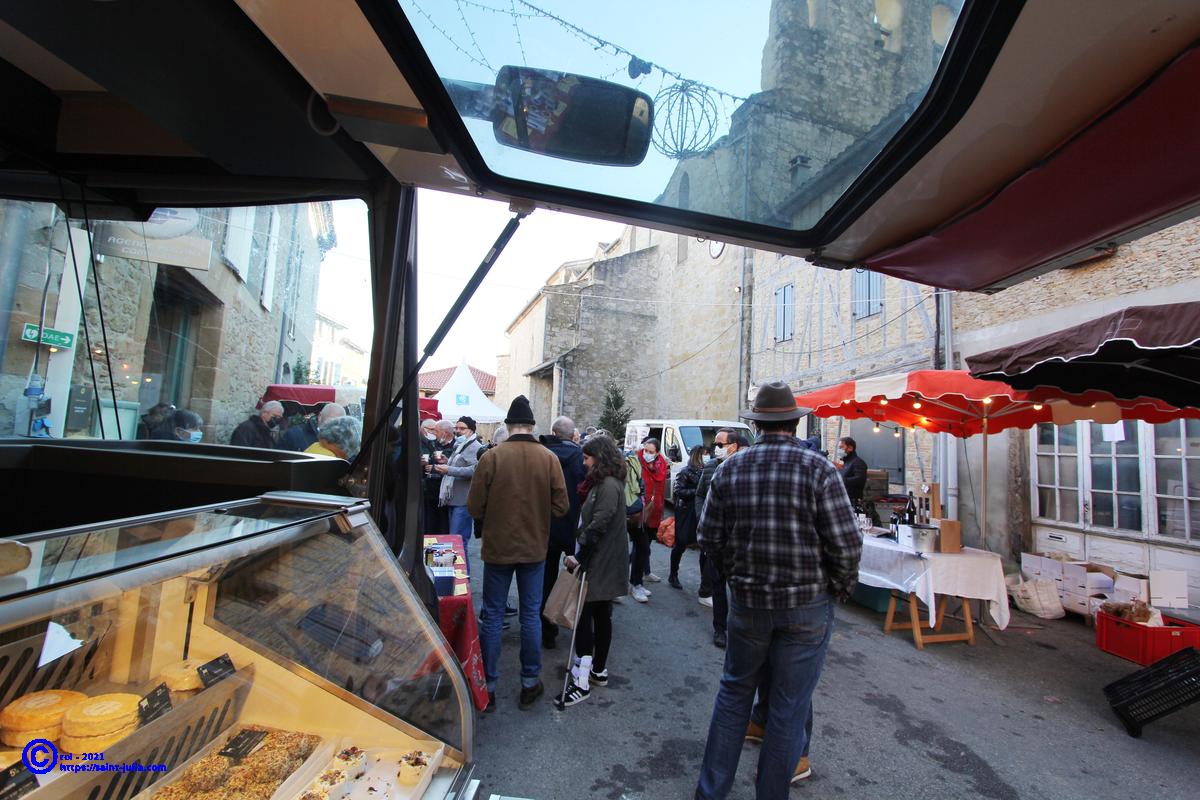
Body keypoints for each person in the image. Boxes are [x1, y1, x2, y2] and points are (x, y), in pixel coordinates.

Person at [694, 382, 862, 799]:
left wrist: (736, 575)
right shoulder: (819, 469)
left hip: (750, 602)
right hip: (806, 604)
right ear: (794, 423)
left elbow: (708, 537)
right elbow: (846, 544)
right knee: (789, 707)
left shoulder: (731, 468)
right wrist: (837, 587)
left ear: (757, 425)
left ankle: (710, 792)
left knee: (734, 693)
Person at [467, 395, 569, 712]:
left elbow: (474, 506)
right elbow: (561, 506)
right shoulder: (548, 458)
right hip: (534, 548)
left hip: (498, 548)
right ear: (531, 426)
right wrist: (538, 516)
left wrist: (495, 517)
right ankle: (529, 682)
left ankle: (489, 686)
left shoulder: (492, 457)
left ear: (509, 426)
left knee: (493, 615)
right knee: (530, 615)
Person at [555, 435, 628, 707]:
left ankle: (582, 682)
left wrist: (579, 556)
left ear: (599, 458)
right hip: (604, 559)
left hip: (599, 560)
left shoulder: (607, 485)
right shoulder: (607, 482)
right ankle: (598, 670)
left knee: (586, 616)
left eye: (587, 458)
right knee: (600, 614)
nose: (584, 463)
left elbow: (599, 522)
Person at [695, 428, 748, 648]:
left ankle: (739, 628)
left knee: (738, 589)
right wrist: (702, 519)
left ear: (733, 446)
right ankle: (720, 629)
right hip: (716, 538)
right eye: (715, 444)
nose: (715, 448)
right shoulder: (710, 467)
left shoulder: (746, 468)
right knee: (718, 586)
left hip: (739, 541)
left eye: (719, 444)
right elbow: (700, 494)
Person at [539, 416, 587, 649]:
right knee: (577, 575)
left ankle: (546, 629)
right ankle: (578, 624)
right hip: (572, 524)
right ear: (572, 435)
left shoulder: (542, 454)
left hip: (546, 524)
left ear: (553, 432)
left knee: (545, 578)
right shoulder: (581, 457)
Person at [435, 416, 485, 571]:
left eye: (462, 428)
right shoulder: (460, 445)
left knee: (458, 541)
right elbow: (459, 464)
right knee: (453, 540)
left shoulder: (475, 447)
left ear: (471, 430)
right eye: (456, 428)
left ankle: (462, 577)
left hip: (463, 500)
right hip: (453, 499)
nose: (458, 431)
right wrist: (446, 461)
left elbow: (475, 470)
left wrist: (449, 469)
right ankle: (451, 576)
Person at [628, 437, 668, 603]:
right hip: (639, 513)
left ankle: (640, 578)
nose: (647, 454)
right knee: (642, 548)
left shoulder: (662, 464)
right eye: (646, 450)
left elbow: (661, 488)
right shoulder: (635, 462)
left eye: (651, 452)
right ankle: (635, 583)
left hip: (654, 512)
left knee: (644, 548)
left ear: (657, 453)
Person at [668, 446, 705, 590]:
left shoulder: (706, 470)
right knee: (681, 543)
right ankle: (673, 575)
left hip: (699, 511)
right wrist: (698, 492)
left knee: (703, 547)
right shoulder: (685, 471)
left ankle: (705, 581)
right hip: (686, 511)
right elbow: (679, 491)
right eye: (703, 454)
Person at [836, 436, 867, 506]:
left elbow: (860, 479)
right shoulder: (846, 463)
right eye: (838, 448)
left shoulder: (858, 462)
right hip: (844, 501)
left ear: (850, 448)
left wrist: (840, 480)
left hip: (852, 502)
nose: (839, 450)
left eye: (841, 447)